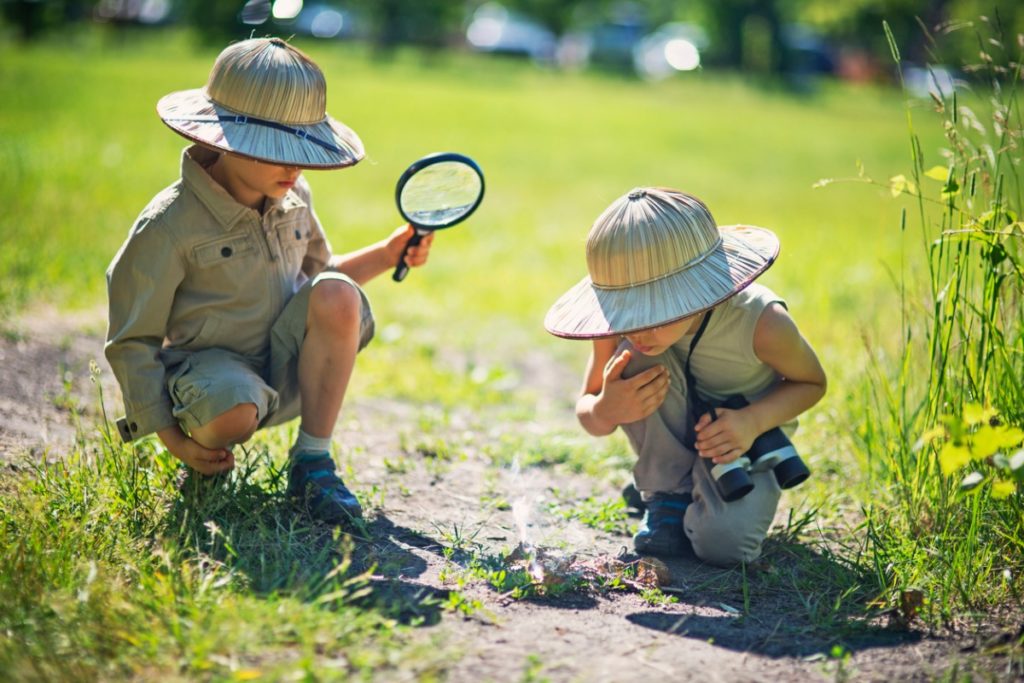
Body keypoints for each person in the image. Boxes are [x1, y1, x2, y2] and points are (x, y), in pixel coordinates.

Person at [105, 37, 434, 524]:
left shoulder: (294, 194)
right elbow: (134, 339)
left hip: (285, 364)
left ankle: (312, 462)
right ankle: (207, 464)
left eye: (300, 147)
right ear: (224, 138)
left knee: (338, 295)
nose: (294, 164)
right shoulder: (170, 224)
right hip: (212, 378)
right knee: (231, 411)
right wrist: (172, 440)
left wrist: (388, 254)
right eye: (276, 150)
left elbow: (323, 280)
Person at [544, 187, 826, 565]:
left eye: (653, 310)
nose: (638, 328)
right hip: (672, 431)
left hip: (740, 439)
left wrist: (752, 421)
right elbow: (588, 412)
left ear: (695, 290)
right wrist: (607, 409)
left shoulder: (762, 322)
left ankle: (690, 486)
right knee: (632, 358)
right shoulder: (621, 332)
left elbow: (813, 383)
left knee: (725, 547)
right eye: (626, 312)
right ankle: (667, 495)